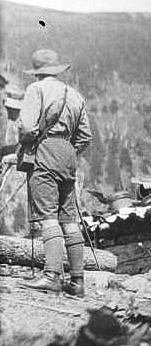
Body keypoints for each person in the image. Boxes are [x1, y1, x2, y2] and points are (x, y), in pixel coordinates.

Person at [17, 49, 93, 296]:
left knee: (47, 216)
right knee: (68, 218)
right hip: (69, 155)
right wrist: (67, 151)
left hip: (45, 151)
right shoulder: (75, 95)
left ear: (38, 72)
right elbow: (85, 137)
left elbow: (28, 127)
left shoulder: (35, 90)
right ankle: (77, 281)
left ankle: (51, 275)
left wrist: (34, 141)